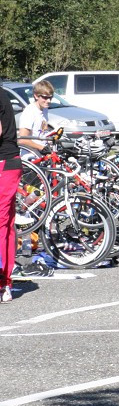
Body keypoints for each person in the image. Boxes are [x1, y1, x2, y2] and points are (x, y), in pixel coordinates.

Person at [0, 88, 21, 302]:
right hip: (10, 162)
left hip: (4, 163)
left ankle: (3, 281)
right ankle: (6, 281)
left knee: (1, 224)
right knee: (6, 225)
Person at [18, 81, 54, 152]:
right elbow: (22, 139)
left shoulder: (44, 109)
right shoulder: (30, 111)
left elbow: (43, 130)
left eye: (50, 97)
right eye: (45, 97)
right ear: (36, 96)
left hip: (42, 153)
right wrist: (41, 147)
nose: (49, 101)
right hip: (30, 156)